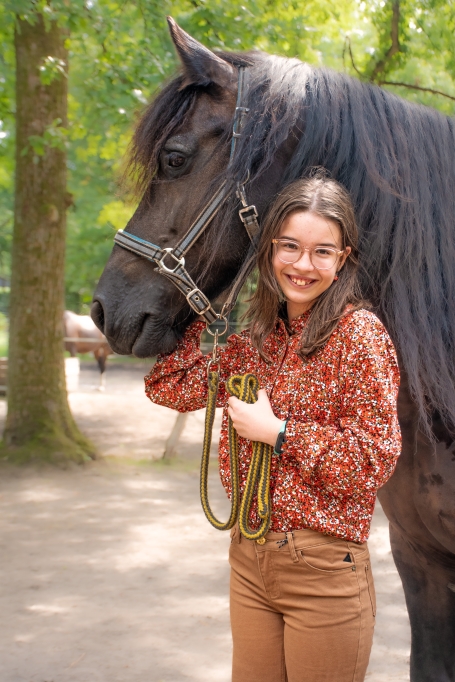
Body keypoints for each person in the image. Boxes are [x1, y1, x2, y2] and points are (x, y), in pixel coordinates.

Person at [145, 174, 401, 682]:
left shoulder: (359, 336)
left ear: (342, 259)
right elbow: (167, 385)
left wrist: (277, 432)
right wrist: (216, 297)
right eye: (289, 246)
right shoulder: (255, 340)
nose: (303, 265)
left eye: (321, 252)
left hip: (323, 570)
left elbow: (373, 460)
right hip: (249, 557)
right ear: (268, 250)